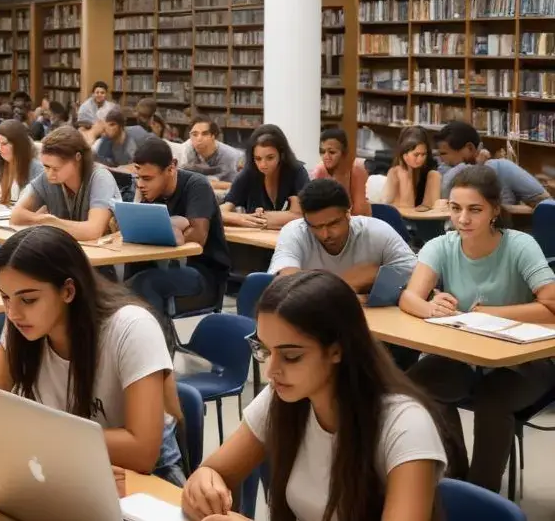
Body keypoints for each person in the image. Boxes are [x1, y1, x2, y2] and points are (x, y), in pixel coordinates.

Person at [182, 270, 448, 521]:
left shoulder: (406, 425)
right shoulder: (284, 396)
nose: (271, 371)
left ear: (337, 350)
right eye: (264, 350)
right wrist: (205, 484)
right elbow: (213, 471)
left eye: (291, 356)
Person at [0, 226, 185, 483]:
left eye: (28, 300)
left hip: (145, 478)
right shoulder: (23, 325)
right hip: (65, 466)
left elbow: (142, 451)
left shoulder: (133, 328)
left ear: (68, 291)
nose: (13, 313)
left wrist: (27, 433)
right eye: (5, 297)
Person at [400, 164, 555, 491]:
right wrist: (430, 307)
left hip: (526, 361)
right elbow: (408, 297)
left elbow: (552, 304)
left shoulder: (518, 246)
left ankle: (481, 495)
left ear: (494, 211)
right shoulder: (442, 245)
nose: (463, 219)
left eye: (475, 210)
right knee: (418, 384)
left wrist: (494, 313)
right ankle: (456, 481)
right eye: (455, 209)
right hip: (466, 356)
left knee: (491, 399)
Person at [127, 137, 231, 341]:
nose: (140, 185)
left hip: (203, 273)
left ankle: (157, 352)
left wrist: (173, 231)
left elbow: (198, 237)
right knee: (119, 283)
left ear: (171, 168)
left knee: (143, 283)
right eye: (138, 177)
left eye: (147, 179)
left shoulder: (196, 185)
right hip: (162, 267)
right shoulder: (147, 192)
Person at [270, 178, 416, 291]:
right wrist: (346, 284)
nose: (325, 234)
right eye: (316, 227)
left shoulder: (377, 231)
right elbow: (286, 285)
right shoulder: (295, 232)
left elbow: (417, 274)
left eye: (333, 224)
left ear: (348, 213)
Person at [11, 126, 121, 242]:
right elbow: (16, 216)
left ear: (77, 157)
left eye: (56, 168)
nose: (49, 174)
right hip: (65, 251)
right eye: (46, 167)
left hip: (102, 255)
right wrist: (43, 219)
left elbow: (93, 231)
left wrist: (53, 223)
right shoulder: (47, 178)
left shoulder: (100, 178)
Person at [435, 120, 548, 207]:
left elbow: (546, 204)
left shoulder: (501, 167)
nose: (441, 159)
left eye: (444, 154)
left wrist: (504, 210)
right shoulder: (444, 172)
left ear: (469, 148)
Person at [220, 124, 309, 230]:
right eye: (258, 158)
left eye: (270, 158)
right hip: (255, 239)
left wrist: (262, 217)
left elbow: (301, 215)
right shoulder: (249, 173)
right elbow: (221, 212)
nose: (263, 165)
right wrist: (244, 218)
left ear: (282, 154)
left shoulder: (296, 171)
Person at [0, 119, 45, 207]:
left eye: (4, 144)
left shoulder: (37, 169)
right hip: (1, 216)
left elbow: (36, 207)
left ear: (19, 145)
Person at [311, 127, 371, 216]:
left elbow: (360, 210)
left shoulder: (357, 170)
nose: (326, 156)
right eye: (322, 152)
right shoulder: (319, 171)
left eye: (332, 152)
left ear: (344, 153)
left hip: (357, 221)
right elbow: (317, 210)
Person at [382, 127, 442, 210]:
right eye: (416, 155)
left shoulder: (432, 174)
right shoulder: (395, 172)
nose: (420, 159)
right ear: (404, 154)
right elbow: (392, 205)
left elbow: (430, 209)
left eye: (424, 154)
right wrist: (407, 175)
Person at [180, 115, 244, 182]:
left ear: (213, 136)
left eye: (204, 134)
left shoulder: (229, 156)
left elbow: (231, 184)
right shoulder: (187, 150)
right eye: (194, 134)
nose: (199, 139)